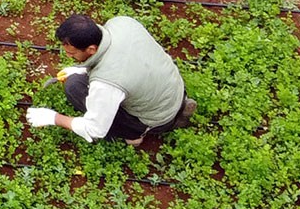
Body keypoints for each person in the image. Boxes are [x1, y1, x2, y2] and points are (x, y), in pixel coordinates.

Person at [24, 14, 199, 147]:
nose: (69, 56)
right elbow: (124, 59)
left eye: (72, 53)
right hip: (174, 89)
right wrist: (83, 68)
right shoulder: (121, 23)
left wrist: (53, 118)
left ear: (91, 49)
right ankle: (179, 108)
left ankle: (134, 134)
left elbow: (94, 129)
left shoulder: (106, 83)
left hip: (156, 117)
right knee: (84, 80)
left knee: (73, 86)